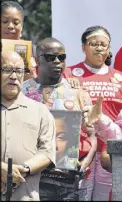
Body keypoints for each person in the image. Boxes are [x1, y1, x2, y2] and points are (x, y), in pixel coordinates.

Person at [21, 37, 96, 201]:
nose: (57, 62)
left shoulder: (78, 93)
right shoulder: (22, 92)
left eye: (61, 57)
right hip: (32, 180)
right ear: (36, 59)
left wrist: (86, 161)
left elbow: (92, 135)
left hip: (68, 183)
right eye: (50, 57)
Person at [69, 25, 122, 201]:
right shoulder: (69, 74)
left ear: (109, 48)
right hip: (81, 151)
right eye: (93, 44)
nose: (99, 48)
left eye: (103, 44)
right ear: (84, 47)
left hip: (110, 153)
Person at [1, 51, 56, 200]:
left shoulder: (40, 111)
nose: (13, 76)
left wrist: (22, 170)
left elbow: (47, 152)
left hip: (25, 195)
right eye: (6, 70)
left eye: (19, 71)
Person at [1, 1, 38, 80]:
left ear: (21, 27)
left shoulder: (32, 51)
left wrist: (31, 74)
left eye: (16, 23)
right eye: (5, 21)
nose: (10, 26)